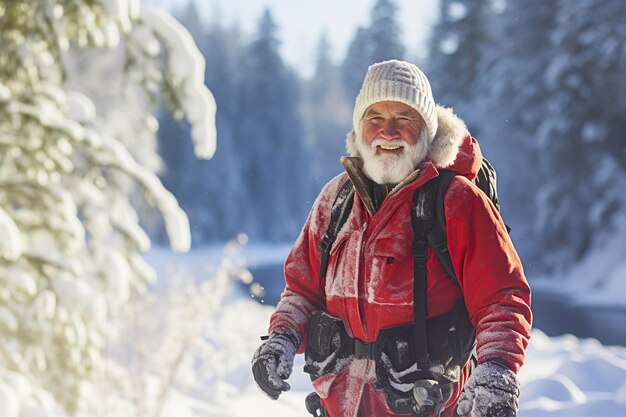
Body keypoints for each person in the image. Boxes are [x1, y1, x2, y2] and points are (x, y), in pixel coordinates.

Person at [252, 59, 532, 417]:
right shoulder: (335, 200)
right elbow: (302, 289)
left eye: (404, 118)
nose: (388, 132)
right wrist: (282, 338)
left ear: (426, 129)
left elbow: (501, 297)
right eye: (375, 118)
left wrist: (496, 370)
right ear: (359, 128)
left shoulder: (457, 201)